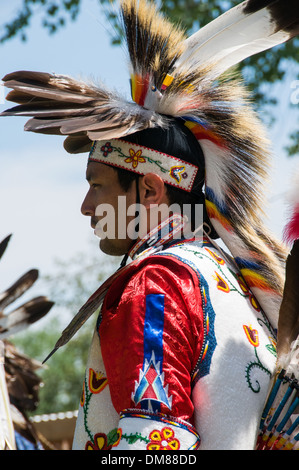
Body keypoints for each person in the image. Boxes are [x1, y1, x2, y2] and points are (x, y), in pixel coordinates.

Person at [1, 0, 298, 451]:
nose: (86, 206)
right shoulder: (233, 284)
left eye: (97, 186)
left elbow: (154, 452)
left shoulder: (159, 285)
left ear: (152, 192)